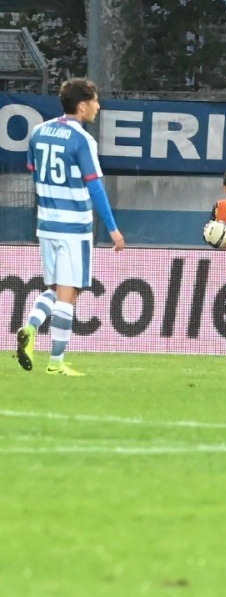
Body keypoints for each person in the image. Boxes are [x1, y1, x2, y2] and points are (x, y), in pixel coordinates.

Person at [15, 78, 125, 376]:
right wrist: (113, 229)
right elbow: (96, 188)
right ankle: (55, 363)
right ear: (82, 105)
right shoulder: (82, 140)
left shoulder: (39, 133)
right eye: (95, 101)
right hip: (73, 226)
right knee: (70, 292)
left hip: (46, 225)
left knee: (55, 288)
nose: (98, 106)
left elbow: (33, 171)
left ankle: (30, 326)